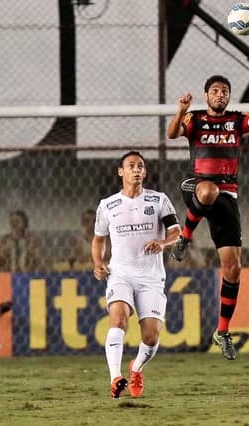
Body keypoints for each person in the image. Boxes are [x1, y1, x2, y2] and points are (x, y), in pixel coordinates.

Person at [166, 75, 249, 360]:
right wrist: (181, 110)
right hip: (195, 185)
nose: (220, 95)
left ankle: (222, 332)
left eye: (225, 91)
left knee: (233, 269)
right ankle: (184, 238)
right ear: (206, 95)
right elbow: (172, 133)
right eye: (216, 91)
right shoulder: (194, 119)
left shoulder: (237, 120)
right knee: (208, 190)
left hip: (227, 197)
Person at [91, 151, 181, 399]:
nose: (137, 170)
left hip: (151, 277)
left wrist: (163, 243)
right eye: (131, 166)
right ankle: (115, 378)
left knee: (151, 337)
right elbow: (99, 239)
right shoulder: (107, 205)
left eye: (140, 166)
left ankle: (136, 368)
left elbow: (177, 232)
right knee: (118, 319)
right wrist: (98, 262)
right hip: (120, 273)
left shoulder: (159, 200)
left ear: (145, 172)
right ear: (121, 172)